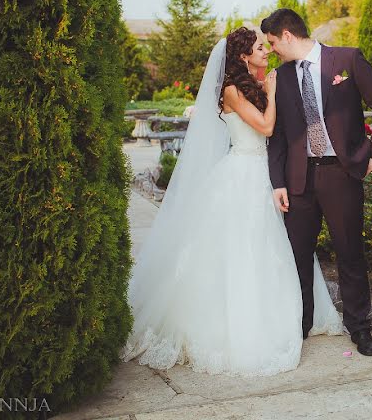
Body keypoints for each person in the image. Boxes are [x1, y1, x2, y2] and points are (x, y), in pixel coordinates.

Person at [121, 27, 343, 376]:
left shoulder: (250, 86)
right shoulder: (231, 91)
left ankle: (286, 314)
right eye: (259, 47)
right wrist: (271, 92)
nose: (266, 51)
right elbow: (266, 128)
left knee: (272, 247)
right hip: (242, 174)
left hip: (264, 174)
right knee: (240, 248)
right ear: (243, 56)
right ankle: (239, 325)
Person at [261, 9, 372, 356]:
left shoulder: (347, 59)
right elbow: (276, 136)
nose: (272, 49)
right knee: (298, 256)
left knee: (349, 252)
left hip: (341, 172)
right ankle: (300, 324)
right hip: (298, 180)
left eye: (273, 42)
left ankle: (359, 327)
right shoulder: (280, 77)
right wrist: (278, 182)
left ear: (287, 35)